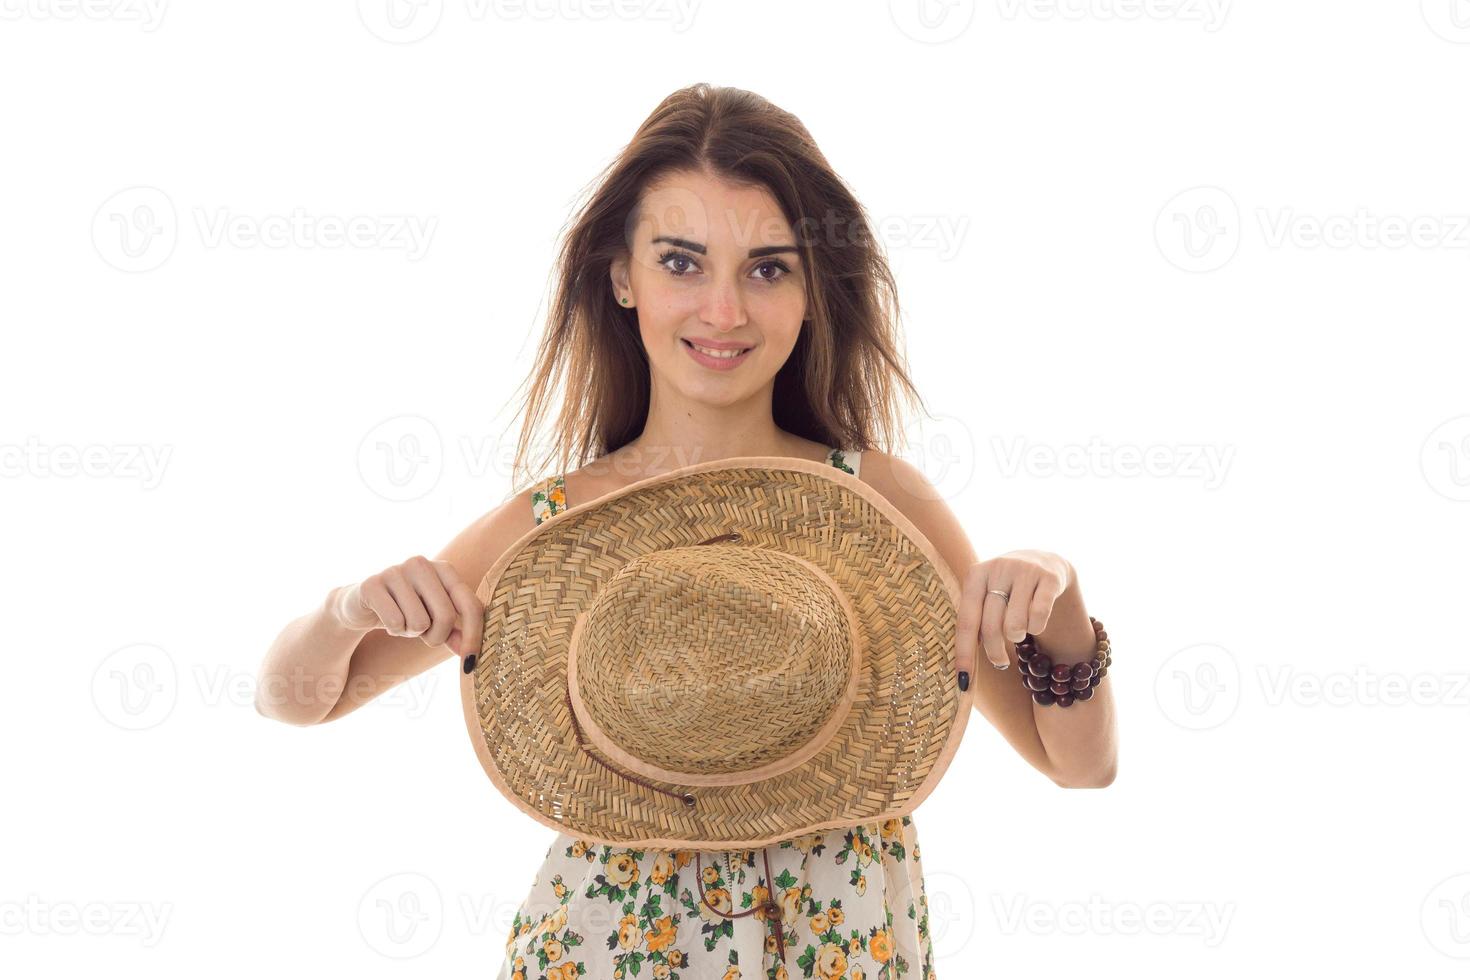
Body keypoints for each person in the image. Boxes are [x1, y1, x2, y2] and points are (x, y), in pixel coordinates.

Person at [256, 82, 1118, 979]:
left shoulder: (879, 510)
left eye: (768, 268)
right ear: (621, 276)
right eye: (681, 263)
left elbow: (1078, 765)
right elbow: (296, 697)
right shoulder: (555, 531)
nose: (724, 311)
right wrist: (348, 608)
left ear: (815, 290)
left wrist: (1058, 586)